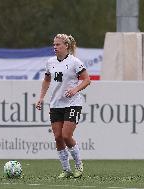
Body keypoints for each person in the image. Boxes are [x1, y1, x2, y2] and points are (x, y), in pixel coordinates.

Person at [36, 34, 91, 178]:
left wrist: (75, 89)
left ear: (66, 46)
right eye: (54, 44)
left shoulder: (75, 62)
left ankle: (79, 165)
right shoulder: (50, 62)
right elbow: (47, 80)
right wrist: (41, 97)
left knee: (66, 135)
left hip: (73, 103)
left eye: (58, 44)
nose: (55, 47)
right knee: (58, 137)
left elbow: (87, 79)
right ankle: (66, 169)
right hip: (56, 104)